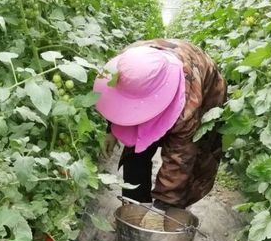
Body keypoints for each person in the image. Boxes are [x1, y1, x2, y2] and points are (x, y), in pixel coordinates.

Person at [93, 39, 227, 211]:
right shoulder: (127, 64)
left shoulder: (189, 107)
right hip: (156, 77)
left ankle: (168, 212)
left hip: (205, 90)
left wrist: (163, 206)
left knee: (194, 160)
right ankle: (135, 207)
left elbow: (179, 160)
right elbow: (116, 95)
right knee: (135, 150)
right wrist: (111, 128)